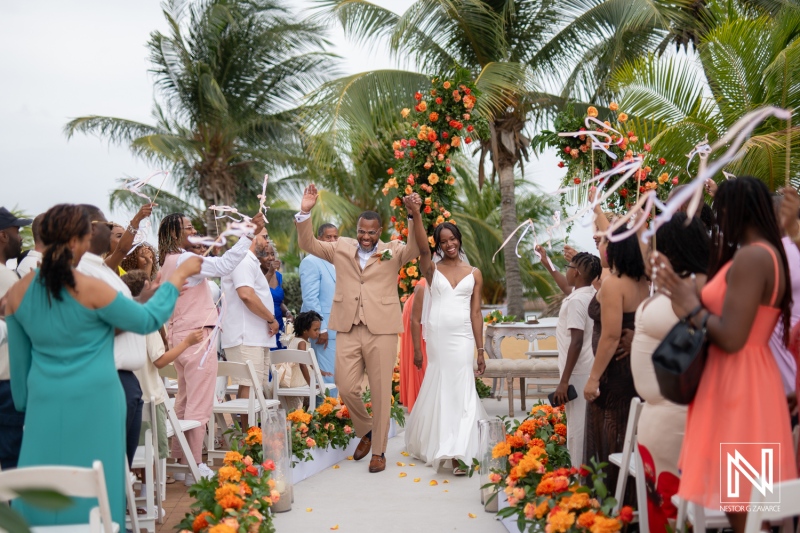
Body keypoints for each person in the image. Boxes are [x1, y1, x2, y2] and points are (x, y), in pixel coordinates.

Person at [5, 203, 201, 526]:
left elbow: (21, 392)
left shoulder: (17, 293)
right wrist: (177, 276)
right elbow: (148, 319)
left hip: (42, 410)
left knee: (42, 500)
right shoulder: (91, 288)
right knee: (98, 500)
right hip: (98, 406)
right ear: (77, 242)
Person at [656, 177, 797, 532]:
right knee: (749, 505)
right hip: (749, 380)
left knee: (748, 508)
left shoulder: (753, 257)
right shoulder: (766, 254)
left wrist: (692, 306)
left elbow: (733, 336)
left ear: (735, 211)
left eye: (720, 213)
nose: (716, 222)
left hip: (740, 385)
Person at [295, 184, 421, 473]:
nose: (365, 237)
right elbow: (309, 245)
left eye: (372, 232)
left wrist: (414, 217)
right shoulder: (341, 247)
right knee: (345, 384)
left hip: (382, 330)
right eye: (362, 231)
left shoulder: (394, 250)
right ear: (357, 229)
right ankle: (366, 429)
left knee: (379, 391)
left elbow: (416, 248)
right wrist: (305, 212)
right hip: (348, 327)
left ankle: (379, 452)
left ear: (380, 231)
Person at [158, 210, 266, 484]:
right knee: (199, 403)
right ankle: (194, 465)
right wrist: (249, 234)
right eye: (188, 228)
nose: (194, 232)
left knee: (184, 400)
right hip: (198, 339)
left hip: (179, 337)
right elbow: (224, 265)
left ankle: (178, 462)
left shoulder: (168, 262)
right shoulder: (185, 259)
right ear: (174, 234)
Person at [631, 213, 709, 531]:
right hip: (656, 416)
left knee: (673, 510)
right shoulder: (674, 283)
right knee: (660, 508)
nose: (651, 251)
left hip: (676, 417)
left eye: (656, 243)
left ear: (673, 246)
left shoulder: (692, 286)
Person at [404, 216, 488, 474]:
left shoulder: (474, 273)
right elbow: (421, 248)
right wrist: (416, 215)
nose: (449, 244)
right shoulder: (432, 269)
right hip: (438, 338)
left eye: (452, 239)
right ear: (438, 246)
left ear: (459, 239)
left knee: (462, 385)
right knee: (441, 385)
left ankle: (459, 452)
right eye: (443, 241)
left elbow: (476, 314)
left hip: (463, 338)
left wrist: (481, 349)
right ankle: (443, 444)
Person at [77, 204, 150, 468]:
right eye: (107, 227)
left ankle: (119, 507)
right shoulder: (84, 270)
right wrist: (141, 307)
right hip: (110, 374)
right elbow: (99, 324)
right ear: (89, 229)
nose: (110, 232)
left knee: (121, 463)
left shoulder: (103, 268)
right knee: (110, 463)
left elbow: (121, 249)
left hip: (125, 377)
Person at [583, 227, 649, 497]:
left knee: (611, 437)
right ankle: (632, 503)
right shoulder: (641, 280)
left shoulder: (614, 283)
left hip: (613, 374)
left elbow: (610, 337)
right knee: (627, 435)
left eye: (604, 242)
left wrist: (593, 378)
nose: (600, 247)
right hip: (633, 369)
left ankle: (613, 505)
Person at [122, 269, 205, 463]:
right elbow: (159, 360)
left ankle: (139, 486)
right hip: (150, 397)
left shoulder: (121, 321)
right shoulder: (147, 324)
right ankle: (153, 486)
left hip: (127, 396)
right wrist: (187, 343)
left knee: (132, 453)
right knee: (153, 454)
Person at [221, 229, 279, 427]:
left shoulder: (250, 260)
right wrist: (271, 319)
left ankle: (252, 435)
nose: (266, 240)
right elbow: (246, 294)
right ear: (251, 236)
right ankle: (249, 439)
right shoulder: (244, 259)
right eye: (263, 236)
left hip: (255, 336)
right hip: (245, 335)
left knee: (255, 386)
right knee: (249, 385)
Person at [547, 250, 601, 467]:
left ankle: (579, 480)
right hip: (586, 369)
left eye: (569, 267)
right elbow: (566, 286)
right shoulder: (589, 293)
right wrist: (547, 263)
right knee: (585, 428)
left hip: (578, 374)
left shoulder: (577, 301)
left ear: (577, 272)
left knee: (577, 431)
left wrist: (564, 381)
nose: (566, 270)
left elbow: (576, 340)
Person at [0, 207, 31, 470]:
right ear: (2, 236)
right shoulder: (6, 277)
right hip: (7, 380)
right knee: (14, 461)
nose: (20, 237)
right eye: (16, 231)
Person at [299, 223, 338, 381]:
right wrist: (321, 328)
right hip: (324, 330)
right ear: (319, 239)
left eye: (335, 237)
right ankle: (325, 406)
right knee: (327, 379)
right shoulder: (311, 262)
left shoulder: (339, 262)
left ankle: (334, 405)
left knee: (337, 377)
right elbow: (310, 298)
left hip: (340, 329)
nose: (332, 240)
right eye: (328, 237)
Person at [276, 310, 323, 410]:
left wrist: (320, 371)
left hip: (291, 377)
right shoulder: (302, 343)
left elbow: (308, 363)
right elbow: (302, 365)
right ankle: (305, 416)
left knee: (306, 401)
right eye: (315, 330)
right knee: (309, 396)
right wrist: (311, 385)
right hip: (296, 379)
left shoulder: (294, 339)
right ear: (305, 330)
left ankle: (304, 414)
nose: (318, 332)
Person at [400, 278, 428, 412]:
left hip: (420, 316)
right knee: (420, 358)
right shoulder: (422, 286)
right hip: (416, 319)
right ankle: (420, 401)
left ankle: (422, 401)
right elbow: (414, 319)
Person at [262, 242, 292, 349]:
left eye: (272, 254)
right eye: (266, 254)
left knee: (281, 361)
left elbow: (279, 301)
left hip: (279, 325)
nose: (270, 258)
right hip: (264, 326)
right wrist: (269, 273)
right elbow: (258, 293)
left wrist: (287, 312)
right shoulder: (256, 275)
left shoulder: (278, 276)